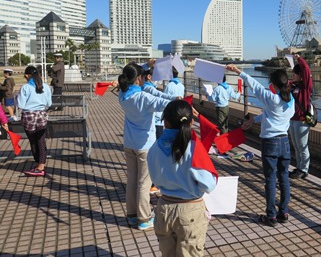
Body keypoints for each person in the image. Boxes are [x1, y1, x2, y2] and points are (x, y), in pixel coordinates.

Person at [226, 64, 294, 227]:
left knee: (270, 179)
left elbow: (254, 85)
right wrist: (253, 120)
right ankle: (283, 212)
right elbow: (270, 114)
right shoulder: (290, 100)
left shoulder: (271, 98)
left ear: (274, 84)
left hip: (270, 142)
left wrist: (238, 72)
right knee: (284, 177)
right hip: (284, 142)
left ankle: (271, 216)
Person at [147, 100, 217, 256]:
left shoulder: (155, 147)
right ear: (191, 122)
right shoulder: (193, 147)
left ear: (165, 121)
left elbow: (155, 179)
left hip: (164, 207)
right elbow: (209, 184)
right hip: (190, 210)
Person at [116, 63, 173, 231]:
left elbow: (131, 71)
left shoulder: (123, 93)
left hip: (129, 143)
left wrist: (146, 65)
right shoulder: (143, 98)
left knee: (132, 180)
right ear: (140, 78)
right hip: (144, 145)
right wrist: (178, 100)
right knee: (144, 183)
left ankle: (132, 214)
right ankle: (144, 217)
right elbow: (164, 103)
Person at [17, 66, 52, 176]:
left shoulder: (25, 87)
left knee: (33, 141)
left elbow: (21, 104)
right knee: (41, 140)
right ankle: (41, 164)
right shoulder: (45, 87)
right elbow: (49, 104)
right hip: (41, 115)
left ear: (27, 76)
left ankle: (39, 165)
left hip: (29, 116)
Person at [288, 56, 313, 179]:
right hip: (292, 119)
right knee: (296, 146)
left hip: (302, 120)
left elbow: (307, 71)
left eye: (295, 73)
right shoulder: (292, 86)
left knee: (302, 146)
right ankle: (298, 167)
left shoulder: (305, 87)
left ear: (301, 75)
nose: (292, 75)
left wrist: (299, 59)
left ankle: (304, 169)